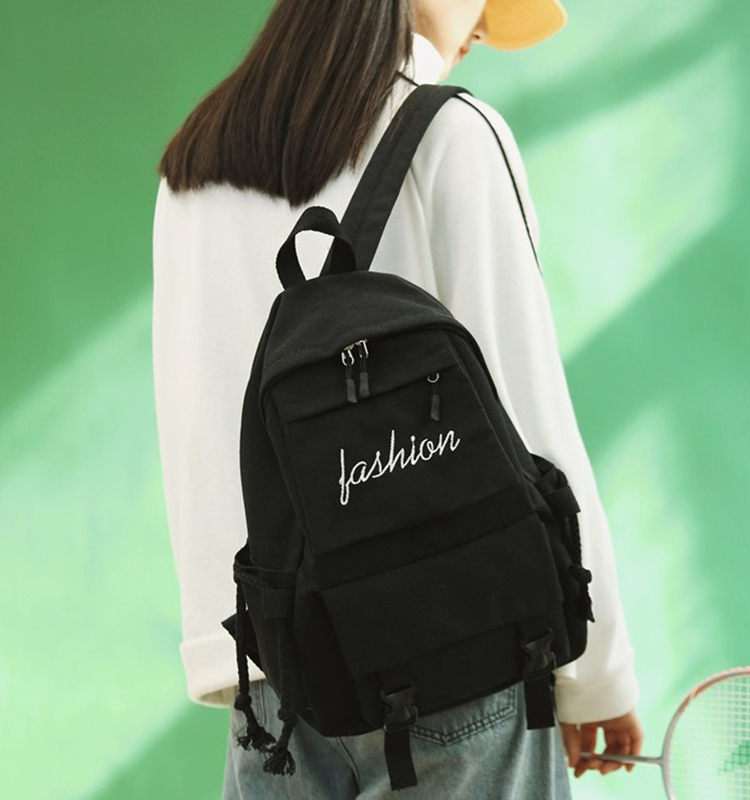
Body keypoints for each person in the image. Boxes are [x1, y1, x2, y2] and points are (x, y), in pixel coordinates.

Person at [151, 0, 645, 797]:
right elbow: (529, 418)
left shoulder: (196, 162)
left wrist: (230, 654)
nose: (484, 27)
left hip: (275, 686)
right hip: (456, 662)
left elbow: (198, 439)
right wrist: (595, 676)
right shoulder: (453, 134)